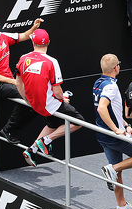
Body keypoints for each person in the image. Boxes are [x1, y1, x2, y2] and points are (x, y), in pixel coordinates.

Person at [15, 29, 83, 167]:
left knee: (53, 123)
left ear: (32, 42)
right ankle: (45, 141)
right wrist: (63, 98)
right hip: (48, 104)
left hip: (34, 104)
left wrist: (26, 99)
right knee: (79, 122)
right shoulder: (52, 61)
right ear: (49, 43)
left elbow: (18, 82)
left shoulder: (23, 58)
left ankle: (31, 149)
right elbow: (57, 91)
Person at [0, 15, 42, 144]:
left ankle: (11, 129)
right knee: (24, 93)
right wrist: (14, 82)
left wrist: (34, 27)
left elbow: (23, 36)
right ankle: (9, 129)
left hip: (9, 82)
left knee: (36, 103)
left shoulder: (3, 37)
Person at [93, 53, 132, 209]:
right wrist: (116, 129)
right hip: (114, 136)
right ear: (116, 67)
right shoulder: (111, 86)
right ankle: (112, 168)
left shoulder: (98, 83)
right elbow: (102, 108)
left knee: (116, 173)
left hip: (103, 135)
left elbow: (113, 110)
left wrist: (125, 124)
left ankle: (121, 206)